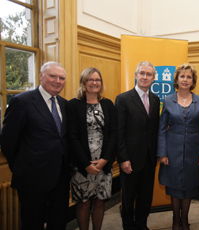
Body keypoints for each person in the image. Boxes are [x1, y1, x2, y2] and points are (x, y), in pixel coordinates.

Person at [0, 61, 70, 230]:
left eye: (61, 78)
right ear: (41, 76)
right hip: (32, 178)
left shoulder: (64, 104)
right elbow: (8, 140)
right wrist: (20, 167)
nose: (57, 81)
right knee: (32, 222)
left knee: (58, 221)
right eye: (52, 76)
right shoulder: (22, 101)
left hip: (60, 176)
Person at [157, 63, 199, 230]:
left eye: (188, 77)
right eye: (182, 76)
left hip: (193, 151)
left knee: (190, 186)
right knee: (174, 186)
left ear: (193, 81)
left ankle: (184, 220)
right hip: (172, 150)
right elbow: (162, 129)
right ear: (176, 79)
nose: (185, 79)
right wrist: (162, 153)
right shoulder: (167, 100)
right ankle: (175, 221)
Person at [67, 67, 116, 230]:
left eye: (97, 80)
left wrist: (104, 160)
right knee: (84, 204)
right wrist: (86, 164)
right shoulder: (73, 105)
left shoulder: (108, 104)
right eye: (90, 79)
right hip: (82, 165)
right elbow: (72, 137)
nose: (94, 83)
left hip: (103, 163)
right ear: (83, 82)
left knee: (100, 202)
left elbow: (113, 134)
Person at [115, 61, 160, 230]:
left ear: (153, 78)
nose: (145, 77)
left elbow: (154, 129)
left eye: (149, 74)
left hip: (149, 159)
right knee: (128, 198)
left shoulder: (155, 100)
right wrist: (123, 159)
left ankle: (141, 225)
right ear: (136, 75)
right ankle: (128, 227)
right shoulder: (123, 99)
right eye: (142, 73)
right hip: (130, 160)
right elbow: (119, 132)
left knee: (145, 197)